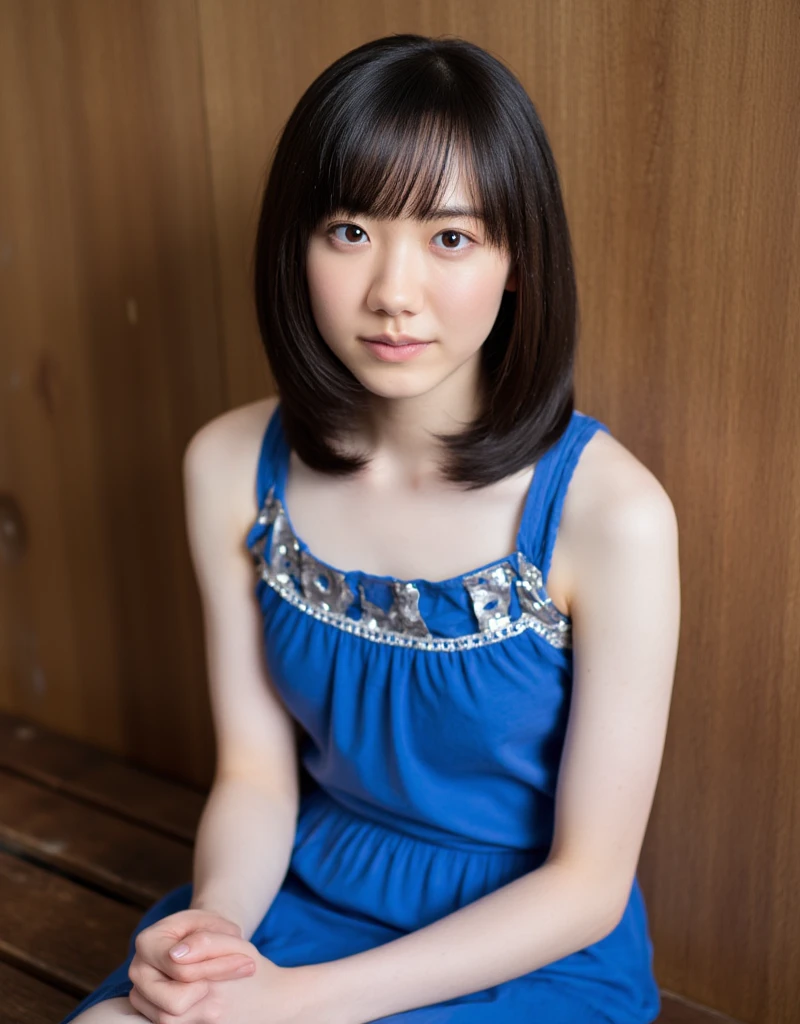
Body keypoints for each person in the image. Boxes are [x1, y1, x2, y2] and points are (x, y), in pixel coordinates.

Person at [61, 32, 680, 1024]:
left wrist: (296, 1004)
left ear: (516, 260)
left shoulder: (611, 516)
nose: (393, 292)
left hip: (525, 947)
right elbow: (257, 776)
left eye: (449, 237)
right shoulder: (229, 465)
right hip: (305, 890)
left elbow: (586, 885)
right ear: (296, 244)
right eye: (349, 230)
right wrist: (218, 929)